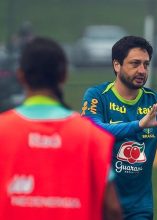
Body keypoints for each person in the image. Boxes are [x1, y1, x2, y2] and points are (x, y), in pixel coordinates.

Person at [0, 37, 122, 220]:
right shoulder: (92, 136)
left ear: (21, 76)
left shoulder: (3, 129)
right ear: (64, 75)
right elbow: (113, 209)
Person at [81, 35, 157, 220]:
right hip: (100, 205)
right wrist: (139, 125)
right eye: (135, 64)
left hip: (139, 210)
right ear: (117, 65)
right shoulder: (97, 96)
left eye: (146, 64)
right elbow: (92, 131)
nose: (142, 70)